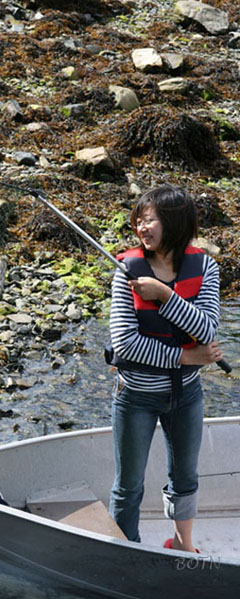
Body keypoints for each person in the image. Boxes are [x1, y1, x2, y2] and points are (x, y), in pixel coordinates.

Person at [107, 184, 222, 553]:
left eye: (151, 219)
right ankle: (126, 552)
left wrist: (165, 295)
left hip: (186, 395)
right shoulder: (126, 269)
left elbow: (206, 330)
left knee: (185, 477)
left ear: (174, 222)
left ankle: (182, 544)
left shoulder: (205, 267)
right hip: (136, 396)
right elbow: (126, 343)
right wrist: (185, 357)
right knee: (129, 484)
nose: (143, 227)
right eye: (139, 220)